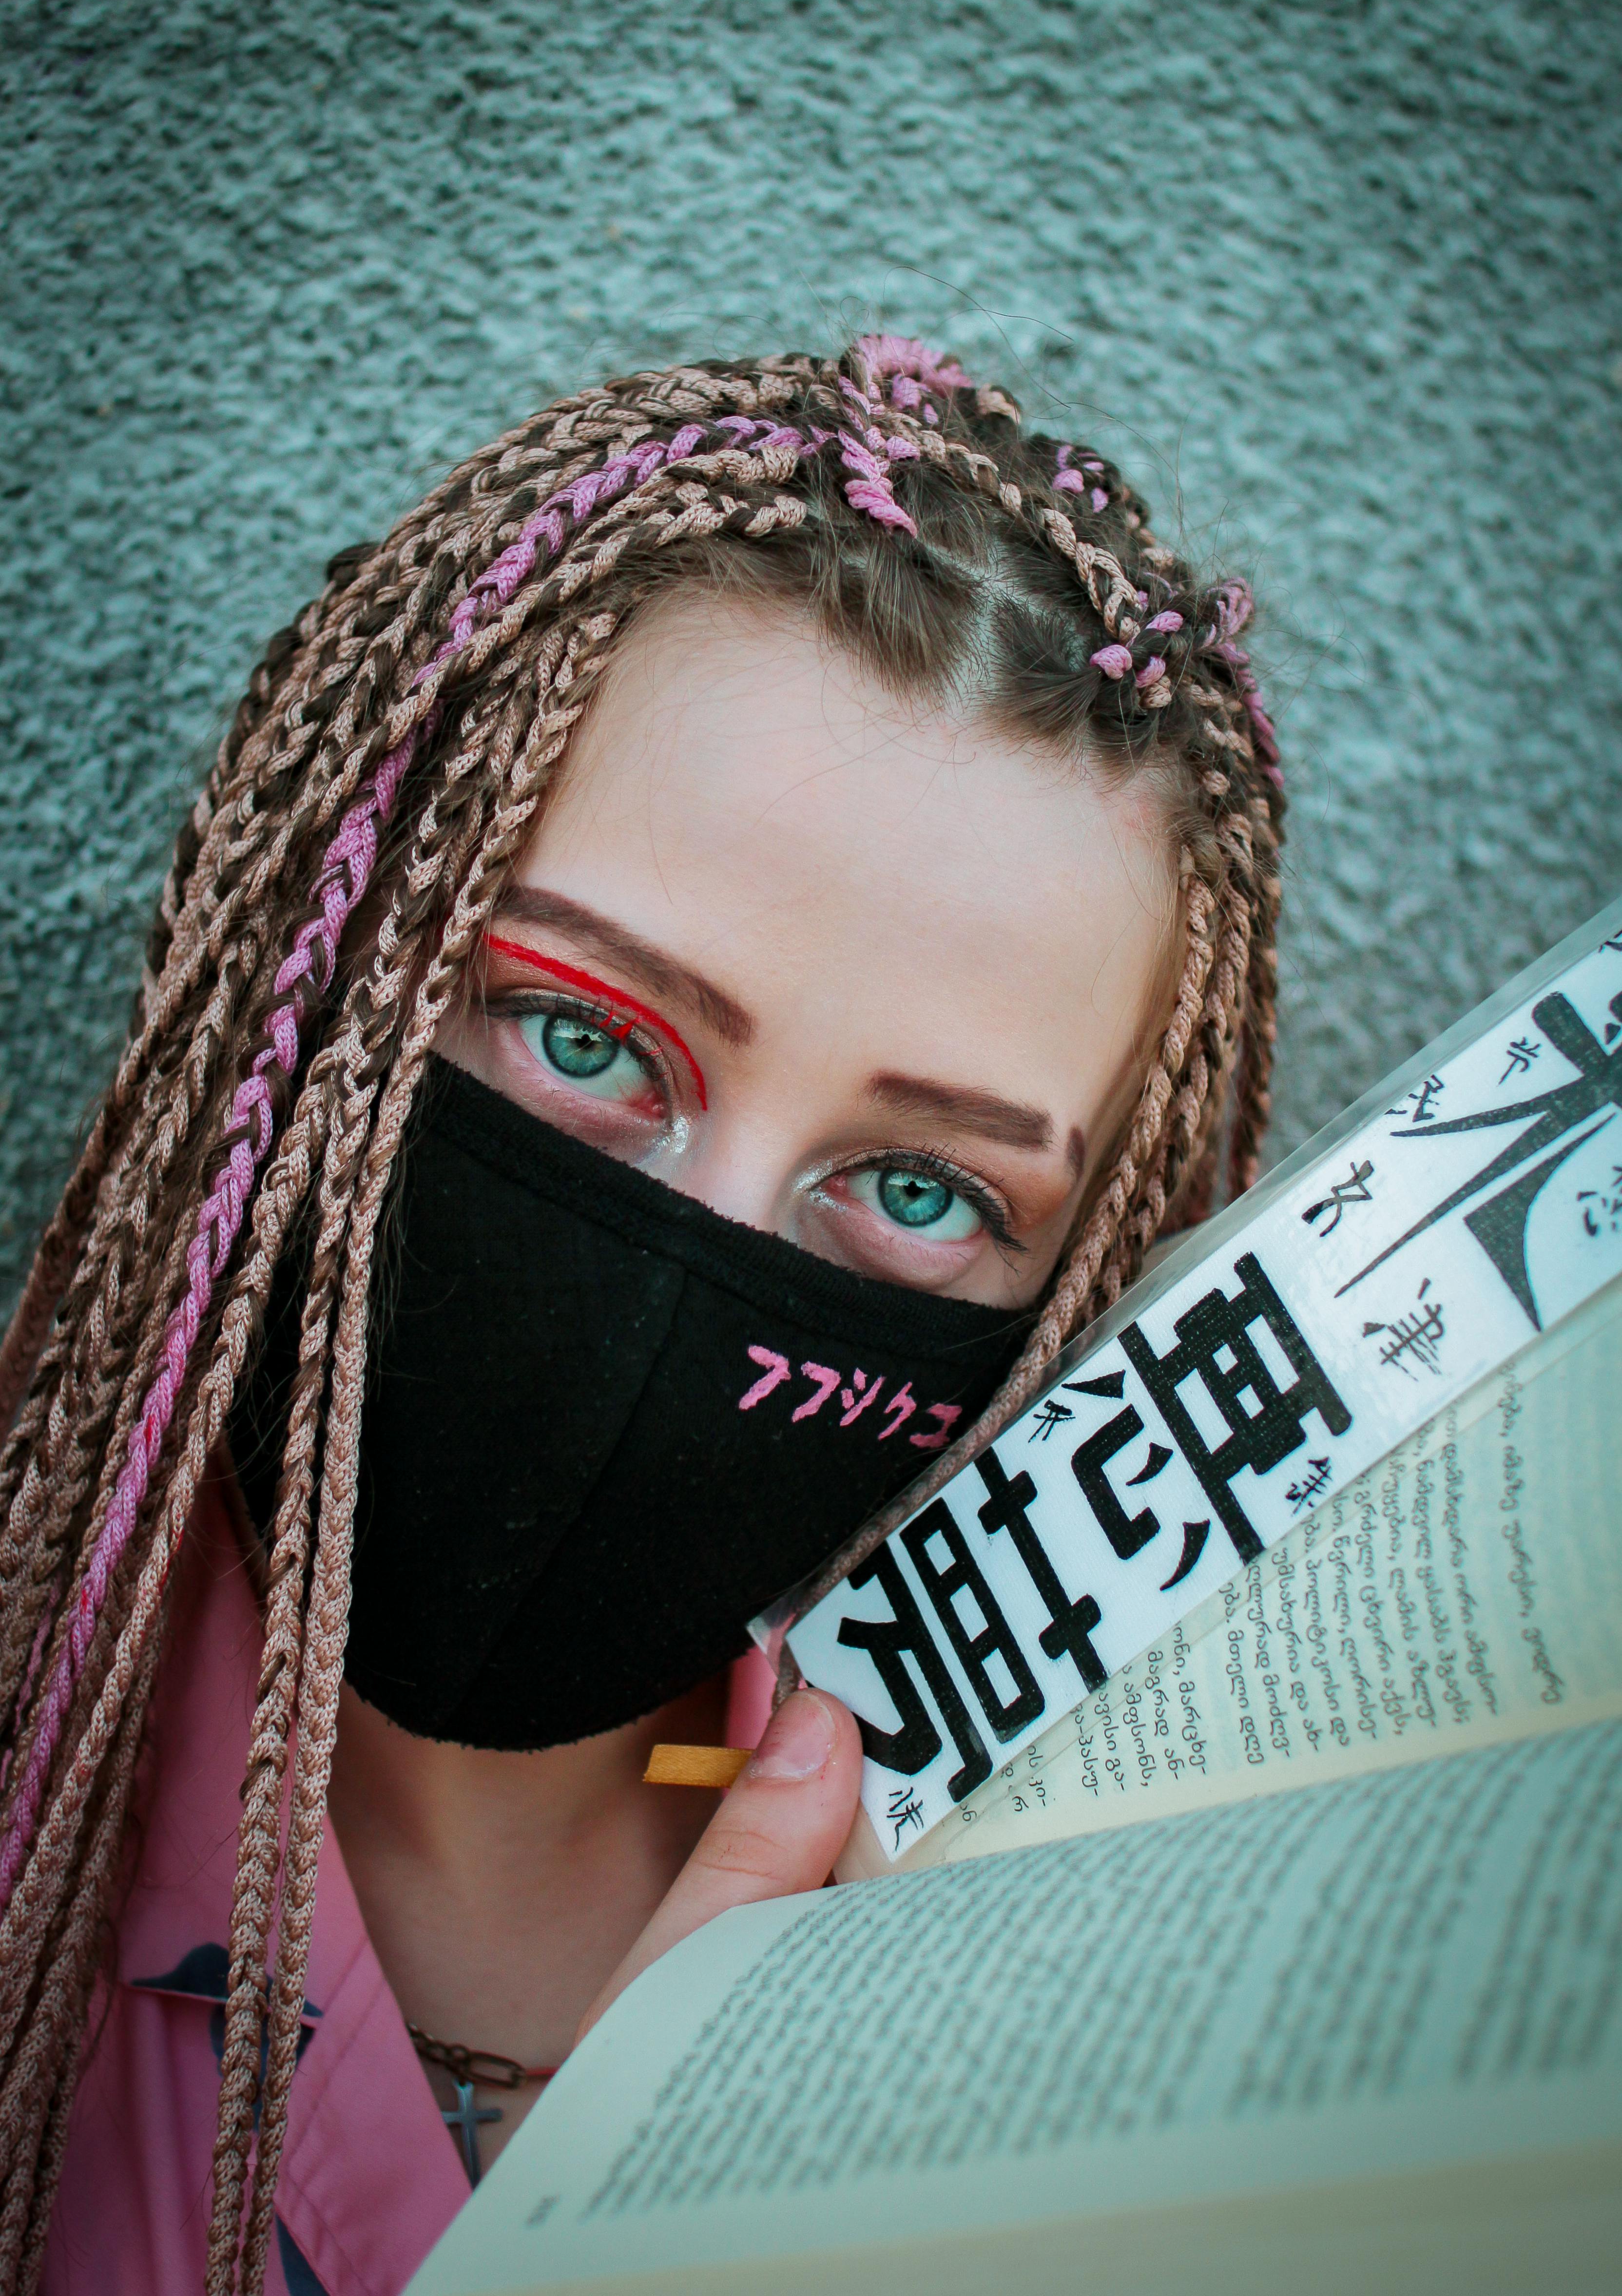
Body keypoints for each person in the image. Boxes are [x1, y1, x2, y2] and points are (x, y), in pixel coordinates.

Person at [0, 336, 1283, 2296]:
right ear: (317, 969)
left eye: (922, 1191)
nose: (682, 1264)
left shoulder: (1112, 1968)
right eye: (582, 1036)